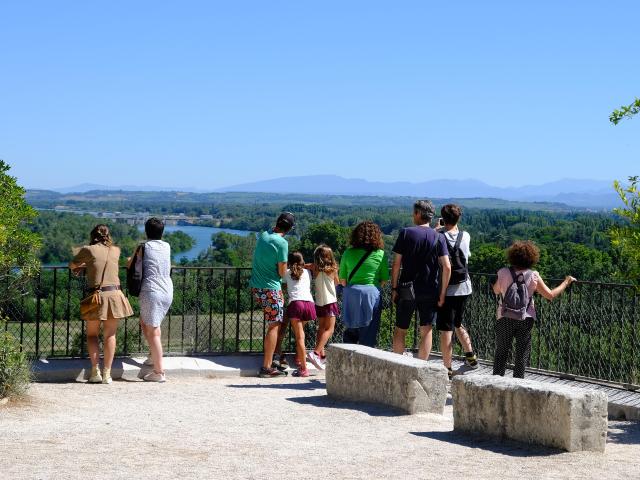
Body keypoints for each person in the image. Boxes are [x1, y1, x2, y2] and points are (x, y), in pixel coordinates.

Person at [492, 240, 576, 379]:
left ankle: (495, 384)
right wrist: (566, 282)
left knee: (501, 352)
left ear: (512, 256)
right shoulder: (533, 275)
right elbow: (550, 295)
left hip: (504, 316)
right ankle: (518, 385)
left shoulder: (503, 272)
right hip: (526, 318)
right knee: (521, 354)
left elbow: (496, 291)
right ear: (532, 258)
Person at [69, 224, 133, 384]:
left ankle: (95, 371)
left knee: (92, 335)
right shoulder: (116, 250)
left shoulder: (88, 249)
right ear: (108, 235)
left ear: (93, 236)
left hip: (96, 296)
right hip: (115, 295)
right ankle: (107, 374)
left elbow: (72, 265)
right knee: (110, 335)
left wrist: (84, 266)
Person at [391, 200, 451, 360]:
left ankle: (398, 364)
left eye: (413, 212)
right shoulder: (439, 238)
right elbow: (447, 267)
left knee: (400, 329)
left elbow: (396, 263)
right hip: (430, 290)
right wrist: (442, 293)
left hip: (406, 289)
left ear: (418, 214)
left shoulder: (405, 233)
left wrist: (394, 288)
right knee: (426, 330)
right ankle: (421, 367)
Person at [250, 212, 295, 378]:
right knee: (274, 325)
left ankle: (274, 358)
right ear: (290, 228)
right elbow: (282, 272)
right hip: (271, 288)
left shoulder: (264, 235)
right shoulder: (282, 243)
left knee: (272, 324)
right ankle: (267, 367)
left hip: (257, 286)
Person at [436, 204, 478, 378]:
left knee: (446, 329)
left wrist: (442, 294)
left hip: (448, 289)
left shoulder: (438, 237)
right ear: (458, 218)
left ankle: (447, 368)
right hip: (464, 286)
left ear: (443, 218)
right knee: (458, 323)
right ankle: (471, 357)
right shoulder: (465, 236)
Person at [339, 221, 389, 347]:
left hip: (352, 295)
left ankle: (348, 361)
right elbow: (384, 279)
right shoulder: (381, 254)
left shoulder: (348, 253)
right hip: (372, 294)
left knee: (350, 331)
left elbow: (343, 280)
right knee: (369, 333)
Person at [137, 217, 173, 383]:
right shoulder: (167, 246)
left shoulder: (143, 247)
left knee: (153, 330)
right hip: (167, 288)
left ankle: (159, 372)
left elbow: (134, 264)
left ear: (146, 231)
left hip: (151, 289)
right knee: (145, 323)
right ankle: (153, 356)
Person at [282, 252, 317, 377]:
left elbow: (283, 282)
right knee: (301, 334)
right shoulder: (307, 272)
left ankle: (303, 369)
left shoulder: (287, 273)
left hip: (296, 304)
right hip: (310, 304)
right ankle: (299, 357)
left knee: (299, 337)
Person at [307, 244, 340, 370]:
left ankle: (322, 354)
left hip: (319, 302)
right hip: (330, 301)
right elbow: (337, 282)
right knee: (330, 329)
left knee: (321, 328)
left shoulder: (314, 268)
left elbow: (306, 265)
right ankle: (315, 353)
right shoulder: (333, 269)